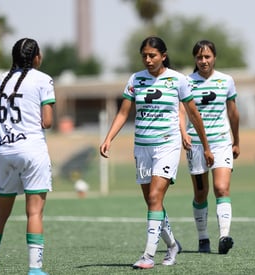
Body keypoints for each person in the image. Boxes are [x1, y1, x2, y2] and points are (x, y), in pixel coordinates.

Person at [99, 36, 214, 269]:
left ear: (163, 55)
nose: (148, 60)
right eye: (144, 56)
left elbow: (193, 114)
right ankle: (172, 244)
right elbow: (123, 113)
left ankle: (148, 256)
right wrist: (109, 138)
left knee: (154, 198)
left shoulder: (178, 80)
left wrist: (207, 146)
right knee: (153, 203)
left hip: (167, 146)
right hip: (142, 147)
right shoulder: (135, 79)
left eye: (152, 55)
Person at [0, 38, 55, 275]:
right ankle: (35, 269)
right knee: (34, 213)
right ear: (35, 57)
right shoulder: (43, 79)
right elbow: (48, 122)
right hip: (33, 151)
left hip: (6, 152)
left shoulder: (2, 79)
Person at [180, 40, 240, 254]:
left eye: (207, 57)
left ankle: (224, 236)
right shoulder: (186, 82)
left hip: (222, 142)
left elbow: (233, 112)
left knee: (221, 188)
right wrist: (183, 132)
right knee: (201, 193)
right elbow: (181, 111)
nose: (203, 61)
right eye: (199, 57)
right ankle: (203, 237)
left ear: (214, 57)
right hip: (195, 146)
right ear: (195, 59)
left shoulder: (226, 81)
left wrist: (237, 140)